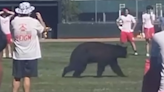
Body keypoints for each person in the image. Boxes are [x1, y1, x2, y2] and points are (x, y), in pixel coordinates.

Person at [11, 2, 46, 92]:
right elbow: (43, 29)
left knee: (17, 77)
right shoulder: (34, 22)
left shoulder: (14, 21)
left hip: (18, 54)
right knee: (27, 77)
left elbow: (12, 32)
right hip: (31, 54)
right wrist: (40, 18)